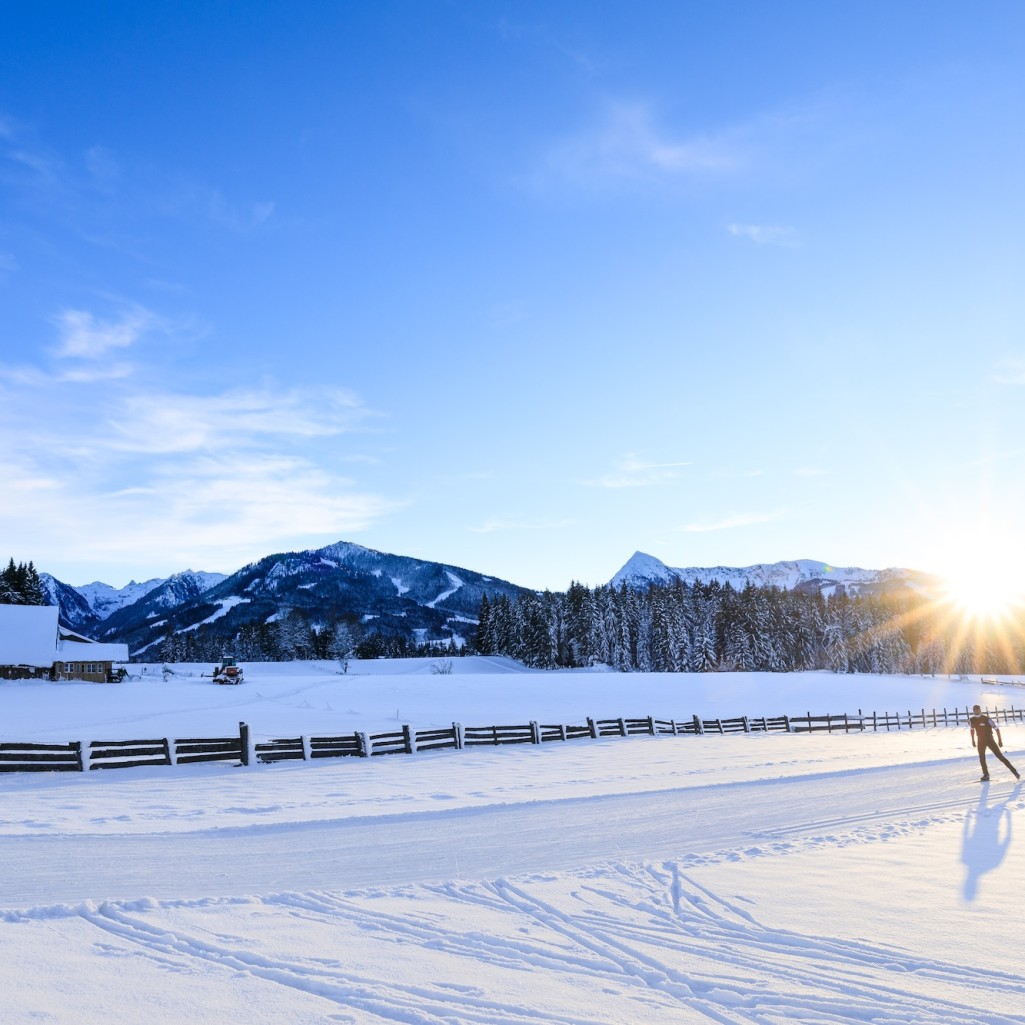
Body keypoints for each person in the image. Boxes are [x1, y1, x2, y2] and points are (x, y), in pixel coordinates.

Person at [969, 705, 1020, 782]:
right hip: (980, 741)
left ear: (980, 710)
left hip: (990, 740)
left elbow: (997, 729)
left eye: (977, 710)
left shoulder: (987, 719)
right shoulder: (972, 720)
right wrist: (973, 740)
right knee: (982, 758)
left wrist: (1000, 740)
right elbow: (972, 729)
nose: (976, 711)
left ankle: (1015, 772)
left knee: (1000, 757)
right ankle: (986, 775)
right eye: (974, 710)